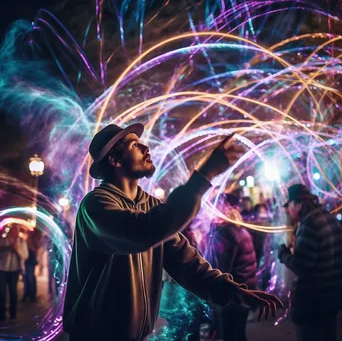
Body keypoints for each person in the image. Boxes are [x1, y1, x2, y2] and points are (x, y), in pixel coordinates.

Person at [63, 123, 283, 340]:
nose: (146, 148)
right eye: (134, 146)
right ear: (115, 160)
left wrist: (234, 291)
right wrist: (205, 174)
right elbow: (143, 231)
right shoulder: (96, 205)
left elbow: (186, 263)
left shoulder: (150, 205)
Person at [278, 184, 342, 341]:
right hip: (331, 297)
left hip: (312, 302)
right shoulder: (329, 218)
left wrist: (284, 254)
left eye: (290, 205)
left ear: (298, 205)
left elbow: (301, 266)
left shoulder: (309, 226)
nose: (288, 210)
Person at [208, 194, 257, 341]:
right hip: (245, 290)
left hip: (231, 294)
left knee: (228, 335)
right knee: (239, 334)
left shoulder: (224, 233)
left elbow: (220, 268)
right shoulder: (240, 230)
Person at [0, 225, 28, 321]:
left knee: (13, 291)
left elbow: (25, 255)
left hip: (14, 269)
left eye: (15, 231)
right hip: (2, 269)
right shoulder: (3, 240)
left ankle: (13, 314)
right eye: (12, 230)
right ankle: (2, 314)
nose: (13, 232)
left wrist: (17, 250)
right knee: (2, 292)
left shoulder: (21, 241)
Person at [22, 229, 42, 302]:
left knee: (30, 277)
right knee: (26, 277)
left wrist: (29, 240)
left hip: (31, 260)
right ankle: (27, 294)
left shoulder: (35, 238)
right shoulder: (30, 238)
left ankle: (32, 295)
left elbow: (35, 248)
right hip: (27, 260)